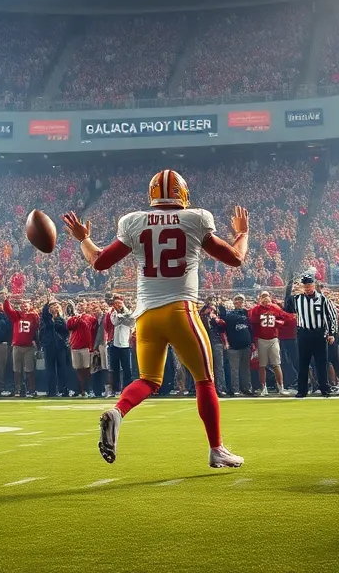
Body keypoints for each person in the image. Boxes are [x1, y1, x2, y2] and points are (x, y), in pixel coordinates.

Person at [62, 169, 247, 468]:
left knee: (148, 379)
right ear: (182, 193)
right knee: (205, 381)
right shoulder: (196, 218)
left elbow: (98, 261)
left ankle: (118, 412)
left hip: (145, 316)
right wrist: (242, 233)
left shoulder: (133, 221)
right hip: (180, 312)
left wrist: (84, 238)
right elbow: (235, 258)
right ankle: (216, 448)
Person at [292, 269, 336, 398]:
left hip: (319, 333)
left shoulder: (322, 299)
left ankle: (324, 388)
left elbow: (331, 316)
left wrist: (331, 333)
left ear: (314, 285)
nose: (307, 288)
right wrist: (290, 286)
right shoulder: (297, 299)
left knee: (321, 363)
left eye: (309, 286)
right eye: (305, 286)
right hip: (304, 333)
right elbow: (286, 307)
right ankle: (302, 390)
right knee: (303, 363)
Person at [249, 292, 291, 395]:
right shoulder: (256, 309)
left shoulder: (275, 308)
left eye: (266, 297)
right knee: (262, 365)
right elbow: (252, 321)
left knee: (277, 364)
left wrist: (277, 322)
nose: (265, 300)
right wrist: (262, 315)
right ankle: (264, 388)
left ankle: (281, 387)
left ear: (270, 298)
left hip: (273, 339)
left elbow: (286, 319)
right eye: (263, 297)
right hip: (261, 339)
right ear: (260, 299)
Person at [3, 296, 39, 397]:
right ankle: (18, 389)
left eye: (26, 305)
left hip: (28, 346)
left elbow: (37, 327)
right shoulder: (17, 315)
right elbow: (7, 310)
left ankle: (31, 389)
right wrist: (6, 300)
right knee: (17, 369)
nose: (24, 307)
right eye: (22, 305)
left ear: (30, 306)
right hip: (17, 346)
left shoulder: (33, 315)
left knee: (29, 369)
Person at [219, 295, 254, 396]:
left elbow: (249, 328)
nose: (239, 302)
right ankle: (236, 390)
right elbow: (225, 318)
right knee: (234, 369)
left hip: (246, 345)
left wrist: (251, 341)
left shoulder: (245, 313)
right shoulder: (230, 314)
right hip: (234, 346)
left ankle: (246, 388)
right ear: (234, 302)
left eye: (241, 300)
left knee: (245, 369)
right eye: (237, 300)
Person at [65, 301, 99, 397]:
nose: (80, 307)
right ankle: (82, 390)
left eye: (82, 305)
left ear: (86, 307)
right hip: (75, 346)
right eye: (78, 305)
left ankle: (89, 389)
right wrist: (76, 318)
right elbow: (69, 327)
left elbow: (93, 331)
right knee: (79, 369)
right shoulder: (72, 318)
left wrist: (93, 346)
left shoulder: (90, 318)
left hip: (86, 347)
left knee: (87, 369)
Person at [37, 300, 69, 397]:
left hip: (60, 346)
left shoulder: (62, 318)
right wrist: (47, 302)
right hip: (49, 346)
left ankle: (64, 389)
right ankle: (52, 390)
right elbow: (44, 313)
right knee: (50, 370)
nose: (55, 307)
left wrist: (58, 318)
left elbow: (65, 330)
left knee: (62, 369)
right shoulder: (46, 319)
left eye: (56, 306)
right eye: (53, 306)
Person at [104, 296, 134, 395]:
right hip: (114, 344)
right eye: (116, 303)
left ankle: (127, 389)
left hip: (125, 344)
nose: (118, 305)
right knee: (114, 368)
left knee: (127, 369)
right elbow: (115, 322)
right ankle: (115, 389)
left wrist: (124, 316)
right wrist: (121, 316)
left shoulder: (128, 313)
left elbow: (131, 322)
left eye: (120, 303)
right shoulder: (112, 313)